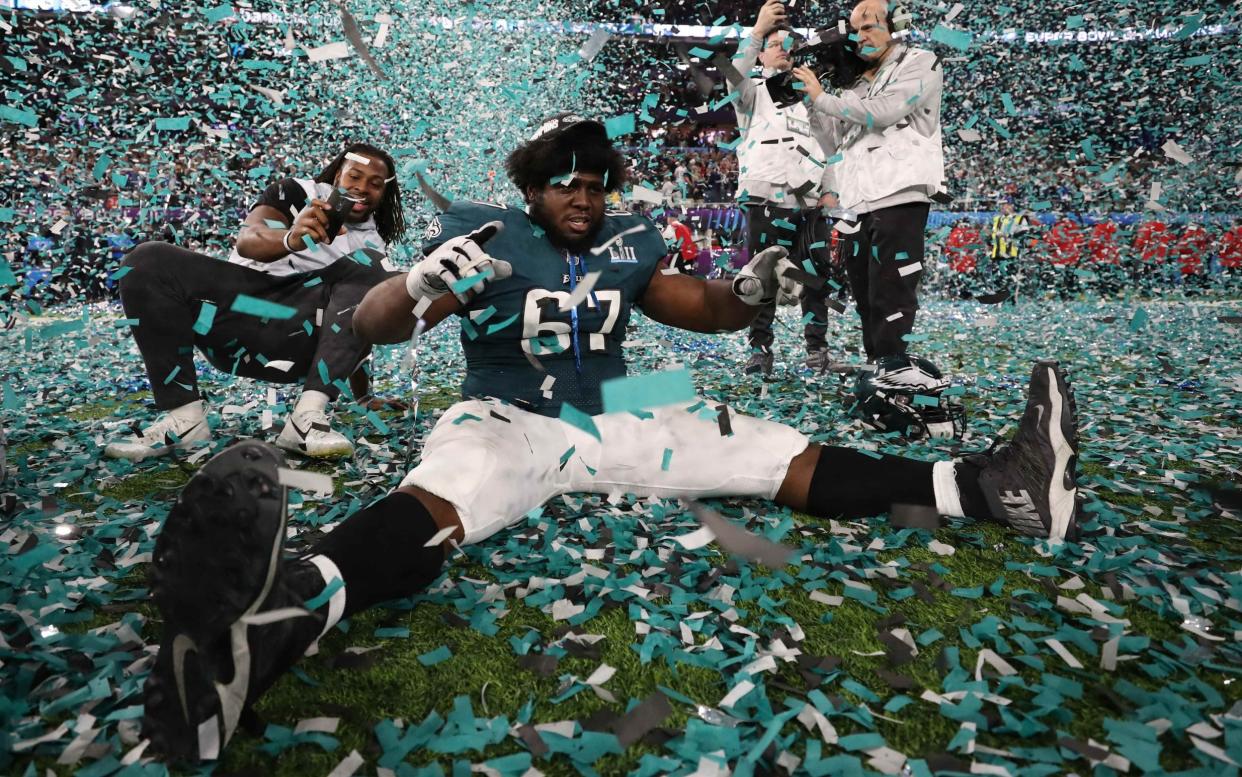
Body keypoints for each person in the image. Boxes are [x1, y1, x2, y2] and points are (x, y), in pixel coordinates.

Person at [140, 115, 1084, 762]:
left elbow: (696, 306)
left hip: (626, 396)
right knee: (444, 496)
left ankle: (991, 485)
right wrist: (420, 284)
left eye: (595, 183)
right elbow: (376, 327)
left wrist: (748, 292)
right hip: (508, 405)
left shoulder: (632, 239)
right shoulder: (487, 234)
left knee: (771, 447)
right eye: (565, 183)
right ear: (530, 187)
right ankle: (277, 621)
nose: (583, 196)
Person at [104, 143, 406, 461]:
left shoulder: (373, 245)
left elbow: (356, 319)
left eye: (375, 184)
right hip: (236, 318)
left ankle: (308, 418)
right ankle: (184, 418)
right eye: (354, 176)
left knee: (381, 276)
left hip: (298, 345)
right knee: (147, 259)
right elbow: (249, 240)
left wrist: (365, 396)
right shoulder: (295, 192)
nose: (361, 188)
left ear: (384, 193)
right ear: (336, 175)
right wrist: (291, 237)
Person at [796, 0, 946, 362]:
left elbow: (885, 112)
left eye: (868, 26)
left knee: (890, 295)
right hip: (856, 203)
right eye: (855, 29)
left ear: (894, 26)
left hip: (899, 196)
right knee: (865, 296)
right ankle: (876, 368)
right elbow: (834, 142)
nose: (859, 36)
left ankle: (893, 371)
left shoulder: (921, 62)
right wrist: (812, 105)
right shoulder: (857, 81)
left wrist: (824, 96)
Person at [723, 0, 837, 375]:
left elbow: (831, 150)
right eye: (775, 45)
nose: (783, 50)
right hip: (765, 200)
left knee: (815, 276)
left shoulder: (813, 98)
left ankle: (816, 350)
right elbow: (731, 74)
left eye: (790, 46)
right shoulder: (752, 93)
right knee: (762, 276)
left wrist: (830, 189)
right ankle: (760, 350)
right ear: (762, 56)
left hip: (810, 203)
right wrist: (756, 33)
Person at [988, 199, 1030, 302]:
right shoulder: (997, 219)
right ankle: (998, 300)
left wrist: (1009, 236)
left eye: (1006, 205)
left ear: (1012, 206)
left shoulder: (1019, 219)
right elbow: (991, 236)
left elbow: (1024, 234)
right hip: (996, 254)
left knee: (1011, 278)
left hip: (1011, 254)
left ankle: (1011, 301)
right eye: (1002, 205)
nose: (1004, 207)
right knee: (997, 279)